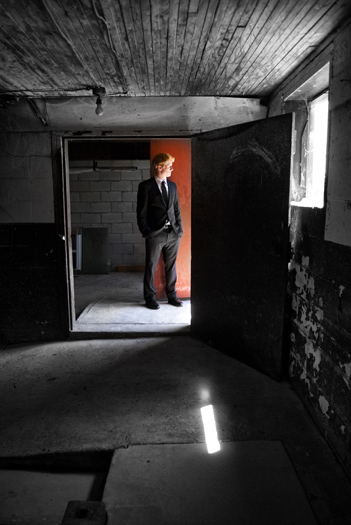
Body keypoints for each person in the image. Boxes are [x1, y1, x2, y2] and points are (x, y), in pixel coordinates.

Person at [137, 153, 183, 310]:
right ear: (159, 167)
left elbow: (176, 210)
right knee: (150, 265)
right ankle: (149, 297)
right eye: (169, 165)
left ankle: (172, 296)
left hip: (173, 234)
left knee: (171, 266)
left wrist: (179, 230)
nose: (172, 168)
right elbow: (141, 214)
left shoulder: (173, 186)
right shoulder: (145, 187)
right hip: (155, 235)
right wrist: (147, 232)